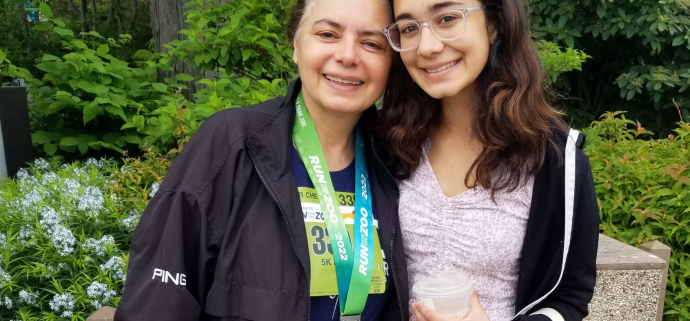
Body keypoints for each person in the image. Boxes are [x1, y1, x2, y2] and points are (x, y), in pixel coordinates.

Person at [114, 0, 411, 320]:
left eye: (371, 43)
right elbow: (157, 304)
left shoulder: (398, 160)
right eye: (327, 34)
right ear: (296, 45)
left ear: (392, 62)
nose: (348, 55)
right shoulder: (229, 145)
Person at [377, 0, 600, 320]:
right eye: (409, 28)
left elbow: (570, 297)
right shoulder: (384, 141)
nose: (426, 46)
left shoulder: (554, 160)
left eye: (448, 18)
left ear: (494, 25)